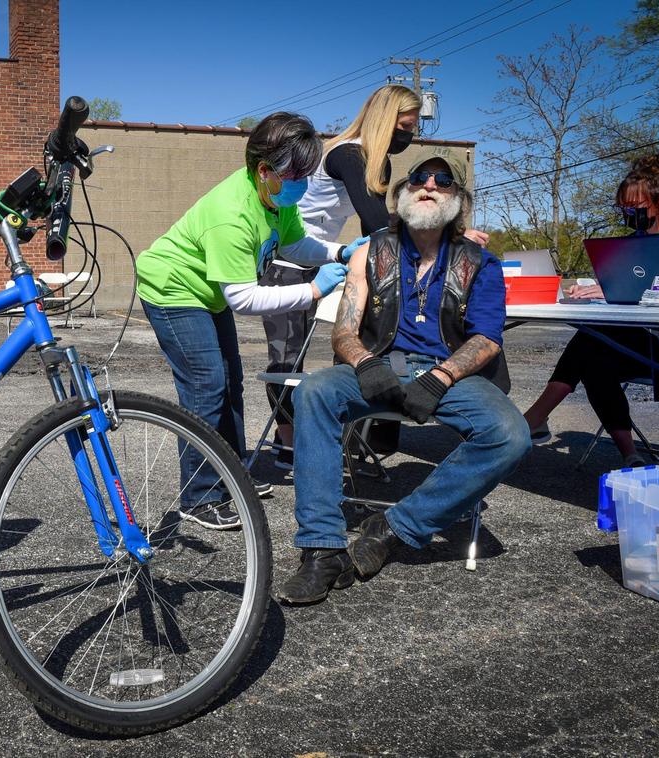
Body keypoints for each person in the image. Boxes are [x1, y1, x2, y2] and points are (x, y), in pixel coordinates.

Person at [274, 148, 531, 603]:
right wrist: (367, 363)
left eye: (443, 181)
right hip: (384, 363)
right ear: (402, 193)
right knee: (314, 392)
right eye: (419, 178)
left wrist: (441, 377)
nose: (430, 185)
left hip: (451, 369)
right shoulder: (373, 252)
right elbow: (345, 330)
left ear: (457, 201)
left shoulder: (481, 262)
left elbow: (488, 338)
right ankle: (321, 549)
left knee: (511, 434)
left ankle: (393, 528)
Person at [135, 112, 355, 529]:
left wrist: (338, 253)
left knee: (230, 380)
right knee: (206, 384)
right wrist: (313, 291)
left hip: (208, 293)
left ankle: (232, 476)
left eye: (308, 173)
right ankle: (198, 497)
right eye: (295, 173)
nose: (303, 182)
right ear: (263, 170)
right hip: (172, 290)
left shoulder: (274, 199)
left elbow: (296, 245)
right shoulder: (231, 213)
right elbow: (244, 297)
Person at [260, 85, 488, 470]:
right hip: (286, 262)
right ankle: (287, 441)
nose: (410, 135)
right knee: (286, 361)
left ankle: (358, 429)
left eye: (414, 128)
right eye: (405, 125)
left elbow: (376, 230)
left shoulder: (377, 163)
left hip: (321, 257)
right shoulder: (348, 154)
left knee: (360, 338)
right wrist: (450, 229)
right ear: (385, 120)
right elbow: (381, 221)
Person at [522, 154, 659, 467]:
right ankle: (630, 457)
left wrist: (622, 290)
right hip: (647, 341)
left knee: (592, 344)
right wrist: (598, 287)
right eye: (624, 209)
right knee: (594, 354)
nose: (629, 215)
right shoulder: (637, 241)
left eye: (636, 208)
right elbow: (626, 286)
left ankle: (534, 419)